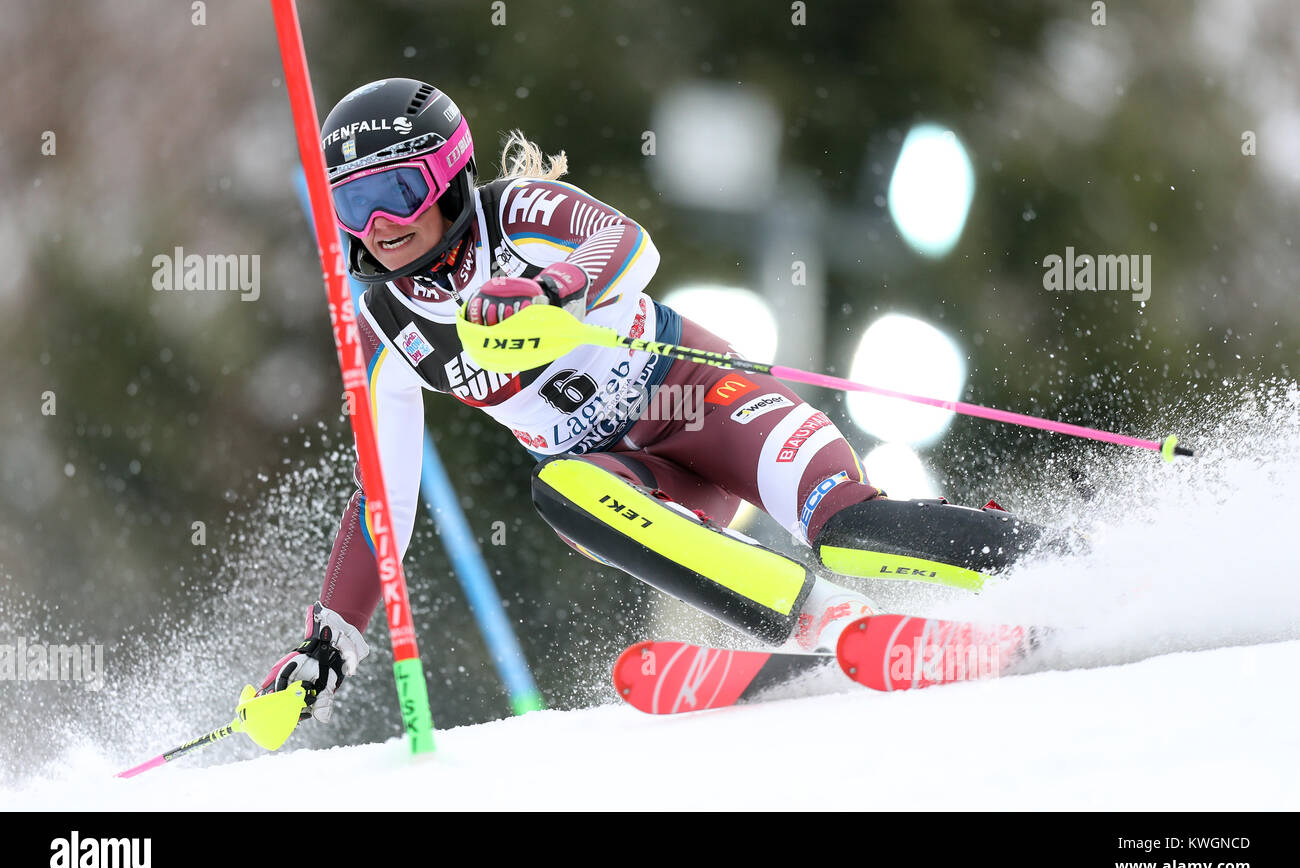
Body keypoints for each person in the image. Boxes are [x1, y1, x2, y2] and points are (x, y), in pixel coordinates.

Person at [261, 78, 1047, 721]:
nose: (381, 226)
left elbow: (630, 244)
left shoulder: (517, 215)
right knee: (563, 488)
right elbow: (382, 496)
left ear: (450, 178)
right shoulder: (387, 324)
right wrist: (329, 640)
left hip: (702, 403)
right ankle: (822, 618)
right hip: (626, 476)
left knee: (850, 527)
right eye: (353, 206)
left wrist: (551, 288)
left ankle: (1050, 565)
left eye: (399, 191)